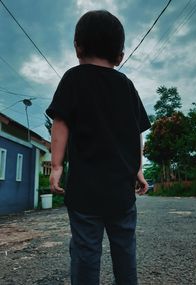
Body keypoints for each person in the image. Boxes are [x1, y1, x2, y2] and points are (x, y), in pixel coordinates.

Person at [46, 10, 151, 285]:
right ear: (120, 55)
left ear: (77, 47)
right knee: (125, 248)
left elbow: (60, 123)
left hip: (84, 191)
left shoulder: (73, 79)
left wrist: (56, 166)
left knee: (85, 251)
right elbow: (135, 133)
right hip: (121, 190)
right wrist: (138, 170)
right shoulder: (127, 86)